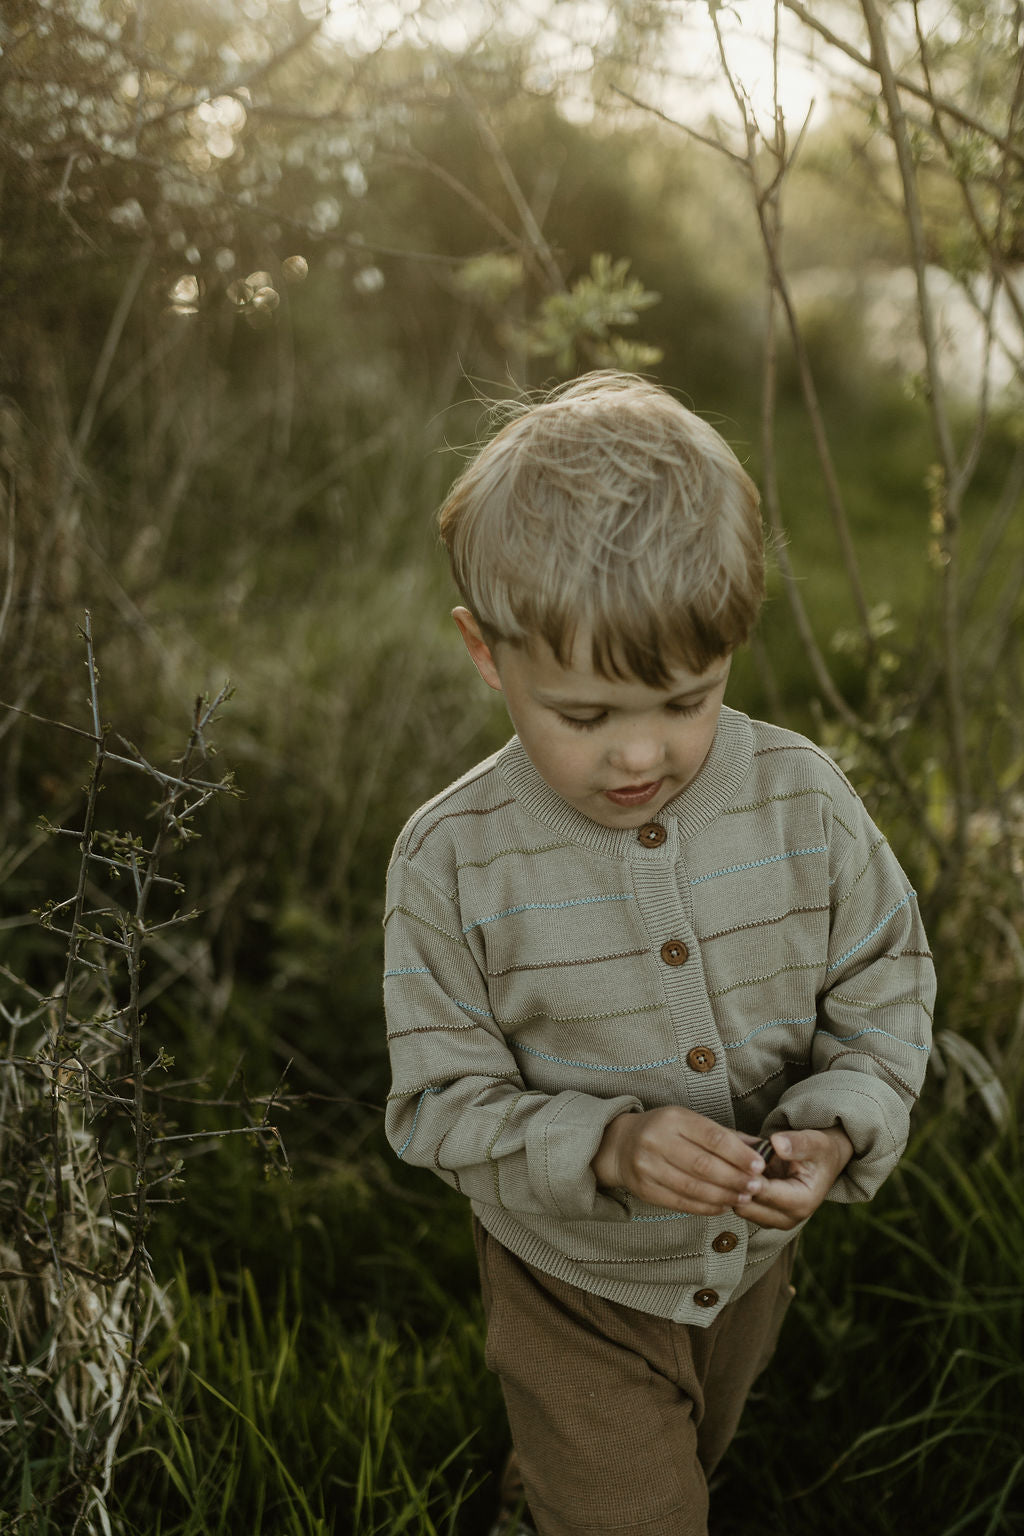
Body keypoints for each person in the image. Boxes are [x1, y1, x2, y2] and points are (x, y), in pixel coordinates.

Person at [382, 372, 935, 1536]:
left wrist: (834, 1122)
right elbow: (437, 1104)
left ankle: (550, 1499)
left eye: (686, 700)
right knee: (642, 1514)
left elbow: (883, 973)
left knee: (691, 1448)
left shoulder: (803, 802)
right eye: (583, 716)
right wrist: (610, 1146)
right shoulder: (453, 860)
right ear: (486, 652)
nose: (640, 753)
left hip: (747, 1264)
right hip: (569, 1279)